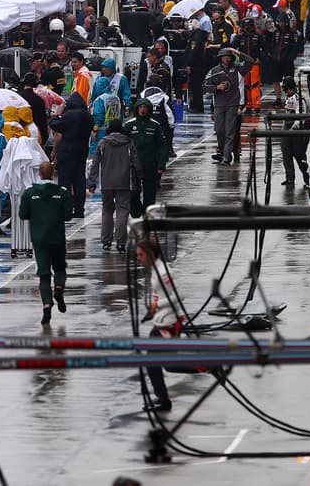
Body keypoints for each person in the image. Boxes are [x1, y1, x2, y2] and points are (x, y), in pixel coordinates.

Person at [19, 161, 74, 324]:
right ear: (53, 174)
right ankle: (59, 288)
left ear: (39, 174)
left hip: (39, 238)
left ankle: (46, 306)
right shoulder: (62, 193)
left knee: (43, 275)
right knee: (60, 267)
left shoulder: (29, 193)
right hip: (57, 237)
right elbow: (68, 216)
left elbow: (23, 214)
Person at [88, 119, 143, 252]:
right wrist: (141, 177)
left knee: (107, 210)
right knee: (122, 211)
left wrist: (92, 182)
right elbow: (136, 162)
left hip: (106, 182)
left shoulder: (103, 143)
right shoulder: (128, 143)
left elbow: (95, 163)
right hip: (124, 182)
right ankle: (120, 242)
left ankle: (106, 240)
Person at [137, 236, 178, 412]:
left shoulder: (163, 273)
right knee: (160, 361)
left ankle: (209, 365)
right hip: (162, 319)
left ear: (151, 254)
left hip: (170, 321)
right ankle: (163, 399)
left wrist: (158, 304)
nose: (138, 258)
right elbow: (159, 293)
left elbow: (179, 296)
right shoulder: (155, 270)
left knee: (167, 363)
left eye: (140, 255)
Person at [50, 92, 93, 218]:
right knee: (79, 180)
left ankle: (66, 210)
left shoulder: (68, 115)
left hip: (67, 151)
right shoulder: (88, 117)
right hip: (82, 150)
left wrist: (57, 115)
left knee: (65, 181)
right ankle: (79, 209)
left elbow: (55, 125)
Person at [125, 100, 167, 216]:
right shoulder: (129, 125)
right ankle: (135, 213)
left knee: (150, 192)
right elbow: (122, 144)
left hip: (150, 165)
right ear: (137, 109)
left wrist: (161, 165)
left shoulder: (155, 125)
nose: (142, 110)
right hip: (133, 166)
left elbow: (163, 146)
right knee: (134, 192)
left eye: (145, 107)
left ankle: (148, 215)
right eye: (140, 107)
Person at [203, 48, 246, 165]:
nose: (227, 58)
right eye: (224, 56)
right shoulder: (214, 70)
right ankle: (223, 152)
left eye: (229, 56)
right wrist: (217, 88)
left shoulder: (237, 68)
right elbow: (204, 86)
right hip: (219, 105)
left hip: (233, 104)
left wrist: (237, 52)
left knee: (230, 132)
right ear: (220, 58)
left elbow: (250, 62)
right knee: (220, 131)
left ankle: (226, 157)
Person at [279, 79, 310, 190]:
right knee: (286, 155)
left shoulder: (300, 99)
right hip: (287, 129)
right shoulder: (287, 99)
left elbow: (300, 117)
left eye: (288, 89)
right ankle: (290, 178)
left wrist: (294, 128)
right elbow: (286, 114)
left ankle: (306, 177)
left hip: (298, 131)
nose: (287, 91)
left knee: (300, 156)